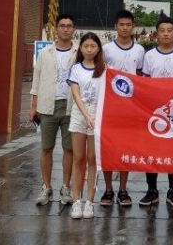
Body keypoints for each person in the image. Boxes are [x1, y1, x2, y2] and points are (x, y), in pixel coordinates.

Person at [140, 16, 173, 208]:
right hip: (154, 111)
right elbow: (144, 83)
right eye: (162, 30)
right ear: (157, 33)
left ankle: (172, 189)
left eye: (169, 30)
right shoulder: (149, 56)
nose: (166, 34)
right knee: (151, 151)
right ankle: (151, 189)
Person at [29, 14, 78, 206]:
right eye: (62, 25)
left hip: (71, 106)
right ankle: (46, 186)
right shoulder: (45, 53)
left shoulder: (79, 51)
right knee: (46, 148)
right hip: (48, 105)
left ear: (73, 29)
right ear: (56, 28)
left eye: (69, 26)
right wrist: (34, 106)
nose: (65, 29)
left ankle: (66, 187)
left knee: (69, 149)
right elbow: (36, 80)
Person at [100, 10, 145, 207]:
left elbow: (141, 78)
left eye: (128, 25)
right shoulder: (106, 49)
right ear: (115, 26)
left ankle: (123, 189)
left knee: (126, 148)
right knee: (108, 147)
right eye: (121, 24)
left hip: (130, 108)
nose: (125, 28)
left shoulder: (140, 50)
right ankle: (108, 189)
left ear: (133, 26)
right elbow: (100, 74)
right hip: (110, 106)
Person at [67, 32, 106, 219]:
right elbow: (76, 95)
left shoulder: (105, 69)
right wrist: (86, 115)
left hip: (97, 116)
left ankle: (90, 202)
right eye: (86, 46)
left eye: (93, 46)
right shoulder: (76, 69)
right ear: (80, 48)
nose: (89, 50)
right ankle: (76, 201)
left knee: (92, 159)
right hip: (79, 115)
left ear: (98, 49)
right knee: (78, 158)